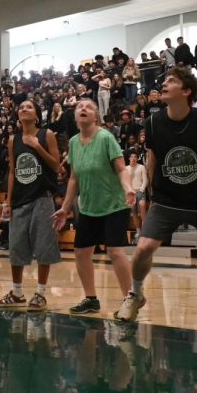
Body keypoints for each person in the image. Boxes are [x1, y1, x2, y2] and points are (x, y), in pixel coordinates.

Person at [112, 69, 197, 332]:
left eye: (172, 81)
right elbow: (152, 160)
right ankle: (135, 294)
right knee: (142, 249)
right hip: (167, 200)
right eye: (164, 80)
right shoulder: (152, 123)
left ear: (186, 91)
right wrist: (153, 196)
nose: (164, 84)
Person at [52, 98, 133, 315]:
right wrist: (66, 207)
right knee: (81, 252)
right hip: (88, 207)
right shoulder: (73, 143)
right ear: (76, 116)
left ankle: (130, 299)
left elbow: (121, 169)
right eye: (80, 107)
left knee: (115, 251)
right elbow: (74, 179)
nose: (83, 109)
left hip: (115, 204)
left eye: (88, 107)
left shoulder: (106, 138)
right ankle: (91, 299)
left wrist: (128, 189)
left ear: (96, 116)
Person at [0, 100, 62, 311]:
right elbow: (13, 171)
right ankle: (17, 292)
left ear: (37, 115)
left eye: (29, 107)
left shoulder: (47, 135)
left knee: (43, 248)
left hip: (42, 198)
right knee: (16, 248)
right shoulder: (13, 140)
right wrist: (8, 201)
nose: (24, 108)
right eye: (21, 106)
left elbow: (57, 166)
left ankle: (40, 294)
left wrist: (37, 146)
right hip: (19, 201)